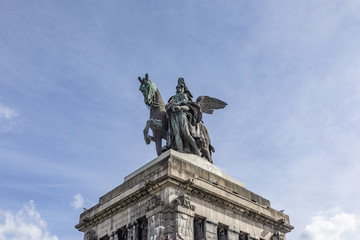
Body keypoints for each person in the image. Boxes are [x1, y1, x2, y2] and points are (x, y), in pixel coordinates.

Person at [165, 78, 202, 156]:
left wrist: (179, 107)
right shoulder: (173, 98)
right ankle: (179, 152)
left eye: (180, 88)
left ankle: (197, 150)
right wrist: (170, 107)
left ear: (183, 88)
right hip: (173, 116)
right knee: (176, 134)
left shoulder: (184, 95)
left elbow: (187, 106)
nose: (178, 89)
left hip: (182, 114)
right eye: (177, 88)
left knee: (186, 133)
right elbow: (167, 107)